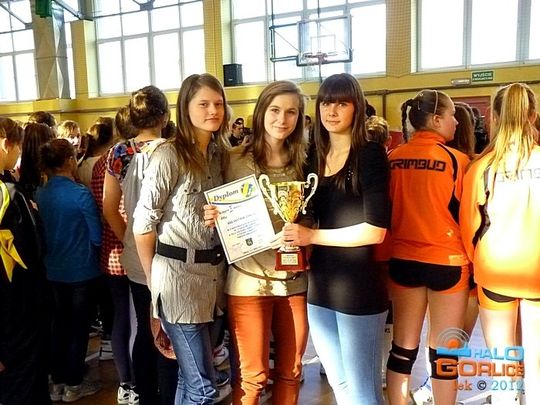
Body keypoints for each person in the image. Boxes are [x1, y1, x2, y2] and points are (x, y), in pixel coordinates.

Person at [281, 73, 391, 404]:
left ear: (357, 108)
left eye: (341, 103)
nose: (332, 111)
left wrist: (312, 235)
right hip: (321, 285)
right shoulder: (313, 155)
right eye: (326, 103)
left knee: (364, 392)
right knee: (340, 385)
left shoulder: (369, 154)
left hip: (359, 287)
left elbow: (375, 230)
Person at [205, 80, 308, 404]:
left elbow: (314, 214)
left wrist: (305, 231)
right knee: (253, 377)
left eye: (291, 112)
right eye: (275, 110)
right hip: (248, 282)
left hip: (294, 282)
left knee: (291, 371)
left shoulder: (306, 161)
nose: (282, 119)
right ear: (261, 112)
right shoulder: (232, 159)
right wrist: (210, 213)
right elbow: (210, 199)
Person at [133, 73, 229, 404]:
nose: (213, 111)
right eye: (203, 104)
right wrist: (153, 284)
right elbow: (142, 224)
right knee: (204, 389)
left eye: (218, 103)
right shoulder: (168, 155)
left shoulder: (220, 153)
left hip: (213, 281)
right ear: (185, 107)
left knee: (190, 382)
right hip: (178, 281)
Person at [385, 89, 470, 405]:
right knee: (445, 352)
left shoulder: (393, 158)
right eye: (451, 116)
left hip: (403, 261)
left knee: (402, 349)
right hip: (447, 262)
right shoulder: (457, 160)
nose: (456, 123)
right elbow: (468, 217)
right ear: (435, 119)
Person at [460, 83, 539, 405]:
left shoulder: (482, 167)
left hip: (495, 271)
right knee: (537, 365)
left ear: (493, 117)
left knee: (504, 364)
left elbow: (469, 227)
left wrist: (476, 261)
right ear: (533, 116)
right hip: (537, 272)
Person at [103, 86, 170, 405]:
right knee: (170, 328)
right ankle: (169, 393)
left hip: (135, 254)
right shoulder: (172, 149)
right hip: (171, 252)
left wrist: (130, 237)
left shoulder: (118, 153)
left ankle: (145, 395)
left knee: (145, 326)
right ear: (165, 116)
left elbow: (109, 207)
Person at [36, 138, 102, 402]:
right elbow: (96, 235)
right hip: (81, 270)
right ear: (68, 161)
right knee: (78, 328)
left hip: (52, 270)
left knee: (58, 325)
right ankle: (74, 384)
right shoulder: (80, 194)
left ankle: (57, 380)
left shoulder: (40, 193)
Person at [0, 118, 51, 405]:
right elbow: (34, 249)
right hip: (17, 308)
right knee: (23, 385)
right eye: (17, 146)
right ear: (7, 144)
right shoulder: (10, 196)